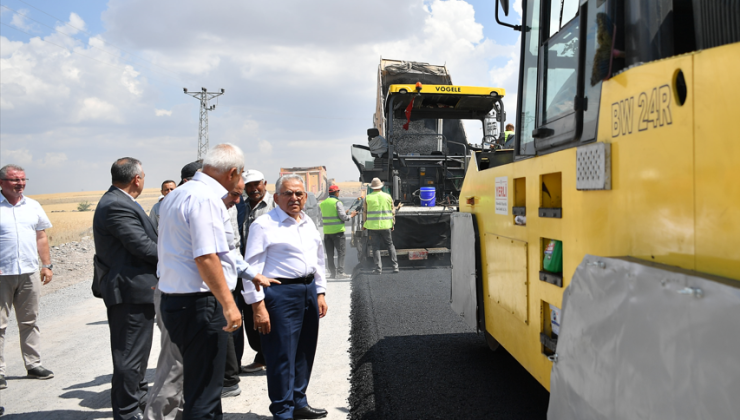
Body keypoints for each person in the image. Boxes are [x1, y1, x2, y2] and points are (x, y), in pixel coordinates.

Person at [157, 144, 275, 419]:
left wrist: (249, 273)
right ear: (232, 173)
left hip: (175, 301)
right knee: (206, 392)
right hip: (201, 305)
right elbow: (206, 257)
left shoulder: (178, 195)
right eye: (241, 174)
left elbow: (221, 251)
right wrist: (228, 305)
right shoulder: (205, 199)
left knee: (198, 384)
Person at [243, 173, 329, 420]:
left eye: (299, 194)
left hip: (308, 291)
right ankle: (282, 410)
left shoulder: (308, 222)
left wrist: (320, 292)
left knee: (304, 351)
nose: (294, 198)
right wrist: (257, 307)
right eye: (288, 193)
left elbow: (318, 261)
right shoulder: (264, 225)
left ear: (305, 197)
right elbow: (252, 268)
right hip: (280, 294)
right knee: (281, 355)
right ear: (277, 197)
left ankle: (299, 402)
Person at [92, 158, 158, 420]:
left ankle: (139, 402)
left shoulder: (120, 201)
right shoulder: (116, 204)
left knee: (138, 355)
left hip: (137, 290)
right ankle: (128, 412)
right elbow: (141, 246)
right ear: (137, 179)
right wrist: (177, 254)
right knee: (129, 356)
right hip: (129, 291)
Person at [144, 162, 201, 420]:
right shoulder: (180, 202)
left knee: (182, 361)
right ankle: (159, 415)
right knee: (174, 362)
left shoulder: (174, 202)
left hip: (177, 289)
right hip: (177, 292)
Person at [0, 164, 55, 391]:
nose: (20, 184)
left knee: (30, 321)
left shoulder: (32, 206)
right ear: (2, 182)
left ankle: (33, 365)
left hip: (29, 272)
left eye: (23, 180)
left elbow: (41, 236)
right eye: (14, 180)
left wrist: (47, 265)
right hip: (2, 274)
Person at [234, 169, 275, 374]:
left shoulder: (275, 205)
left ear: (264, 183)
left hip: (268, 270)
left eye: (256, 184)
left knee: (269, 314)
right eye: (248, 185)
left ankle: (272, 356)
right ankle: (261, 354)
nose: (253, 189)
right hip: (245, 270)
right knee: (251, 316)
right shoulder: (240, 206)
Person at [320, 185, 357, 279]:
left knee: (329, 254)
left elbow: (331, 215)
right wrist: (351, 216)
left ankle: (332, 273)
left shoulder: (323, 203)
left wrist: (344, 212)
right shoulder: (337, 202)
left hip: (327, 233)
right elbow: (343, 217)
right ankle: (340, 273)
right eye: (338, 192)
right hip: (338, 233)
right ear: (336, 192)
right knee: (341, 252)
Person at [363, 178, 398, 274]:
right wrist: (392, 223)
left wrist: (364, 224)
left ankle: (378, 269)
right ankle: (395, 267)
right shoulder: (388, 197)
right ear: (381, 187)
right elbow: (392, 211)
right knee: (390, 245)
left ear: (372, 187)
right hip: (386, 226)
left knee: (375, 247)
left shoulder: (368, 198)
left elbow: (365, 212)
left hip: (373, 227)